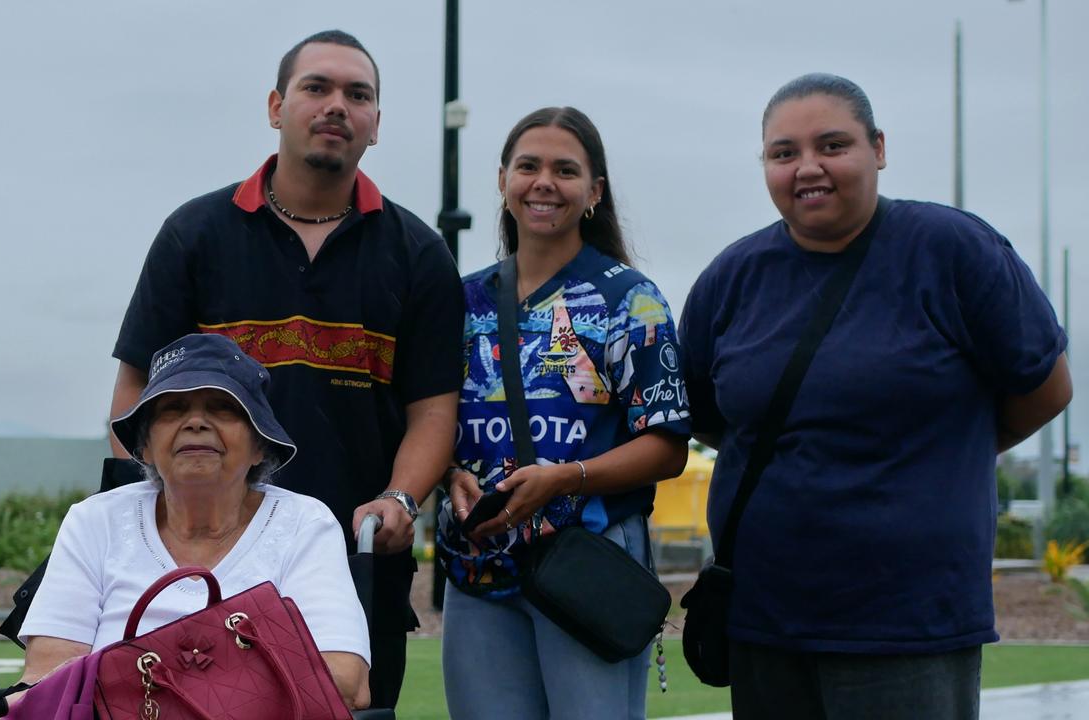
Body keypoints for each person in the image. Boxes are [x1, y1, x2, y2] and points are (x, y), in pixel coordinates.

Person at [679, 73, 1073, 720]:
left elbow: (1047, 389)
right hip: (766, 617)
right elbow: (711, 417)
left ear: (878, 148)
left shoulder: (954, 251)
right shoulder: (732, 278)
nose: (808, 168)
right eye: (784, 153)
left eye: (832, 145)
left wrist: (944, 452)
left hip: (908, 622)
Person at [108, 30, 463, 707]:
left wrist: (400, 500)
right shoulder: (196, 234)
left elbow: (433, 412)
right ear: (276, 107)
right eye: (316, 88)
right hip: (201, 568)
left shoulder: (419, 253)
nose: (336, 106)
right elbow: (133, 396)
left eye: (357, 95)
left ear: (376, 125)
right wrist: (151, 519)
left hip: (353, 572)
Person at [0, 333, 371, 720]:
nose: (196, 421)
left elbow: (344, 680)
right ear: (145, 447)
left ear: (259, 446)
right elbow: (48, 682)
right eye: (172, 410)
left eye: (223, 408)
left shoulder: (303, 523)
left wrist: (133, 684)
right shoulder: (96, 520)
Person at [436, 107, 691, 720]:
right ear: (502, 180)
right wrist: (448, 474)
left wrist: (565, 478)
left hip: (588, 559)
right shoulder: (457, 300)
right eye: (528, 166)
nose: (543, 182)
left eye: (565, 170)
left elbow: (668, 445)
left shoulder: (630, 299)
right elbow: (428, 419)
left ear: (594, 193)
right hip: (478, 567)